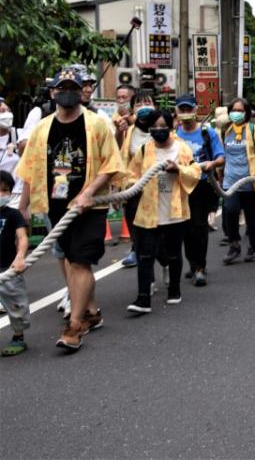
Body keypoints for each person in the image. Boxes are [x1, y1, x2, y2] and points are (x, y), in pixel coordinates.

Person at [16, 66, 122, 350]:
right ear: (53, 92)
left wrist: (88, 193)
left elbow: (111, 165)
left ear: (82, 92)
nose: (67, 93)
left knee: (80, 261)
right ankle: (91, 312)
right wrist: (22, 207)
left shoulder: (96, 124)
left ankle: (74, 326)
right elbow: (30, 170)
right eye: (61, 88)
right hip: (55, 205)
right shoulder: (42, 128)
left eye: (72, 88)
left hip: (89, 207)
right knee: (70, 260)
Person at [124, 110, 201, 313]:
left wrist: (179, 170)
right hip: (148, 212)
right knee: (145, 255)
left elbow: (195, 173)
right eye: (154, 127)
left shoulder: (182, 149)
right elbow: (132, 175)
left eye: (162, 126)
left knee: (174, 254)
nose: (158, 130)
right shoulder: (143, 150)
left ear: (170, 126)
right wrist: (132, 187)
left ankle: (174, 289)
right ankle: (143, 298)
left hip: (174, 211)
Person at [174, 94, 225, 286]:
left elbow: (221, 156)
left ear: (196, 110)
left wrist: (212, 163)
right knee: (186, 229)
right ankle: (192, 263)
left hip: (202, 185)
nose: (186, 113)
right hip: (180, 187)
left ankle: (200, 267)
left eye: (189, 110)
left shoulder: (207, 133)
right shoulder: (173, 135)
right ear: (177, 112)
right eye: (182, 110)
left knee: (199, 227)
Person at [221, 98, 255, 264]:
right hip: (230, 181)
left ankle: (253, 247)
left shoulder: (254, 130)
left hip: (251, 182)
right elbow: (221, 155)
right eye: (234, 110)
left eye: (240, 110)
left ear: (247, 113)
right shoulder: (226, 130)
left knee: (252, 216)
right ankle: (234, 245)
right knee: (230, 211)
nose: (237, 113)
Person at [119, 92, 157, 269]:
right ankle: (136, 248)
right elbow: (117, 153)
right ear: (132, 109)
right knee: (133, 219)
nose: (143, 107)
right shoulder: (127, 131)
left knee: (159, 232)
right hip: (133, 186)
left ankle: (164, 260)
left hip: (158, 187)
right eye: (138, 104)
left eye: (147, 103)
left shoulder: (162, 127)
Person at [0, 170, 30, 356]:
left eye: (5, 190)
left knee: (15, 303)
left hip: (8, 268)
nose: (1, 195)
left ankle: (18, 336)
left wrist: (20, 257)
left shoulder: (13, 215)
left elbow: (22, 238)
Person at [0, 99, 23, 209]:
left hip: (17, 195)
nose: (7, 115)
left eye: (8, 110)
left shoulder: (21, 136)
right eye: (2, 111)